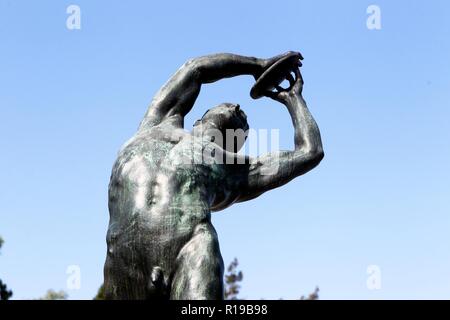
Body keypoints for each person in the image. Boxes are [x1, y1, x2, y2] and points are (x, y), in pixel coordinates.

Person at [104, 52, 324, 299]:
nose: (239, 109)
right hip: (124, 260)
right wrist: (257, 65)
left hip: (189, 256)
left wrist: (294, 100)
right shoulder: (156, 124)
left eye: (244, 131)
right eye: (229, 106)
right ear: (199, 119)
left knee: (203, 241)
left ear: (233, 146)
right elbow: (195, 69)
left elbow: (310, 152)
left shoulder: (229, 169)